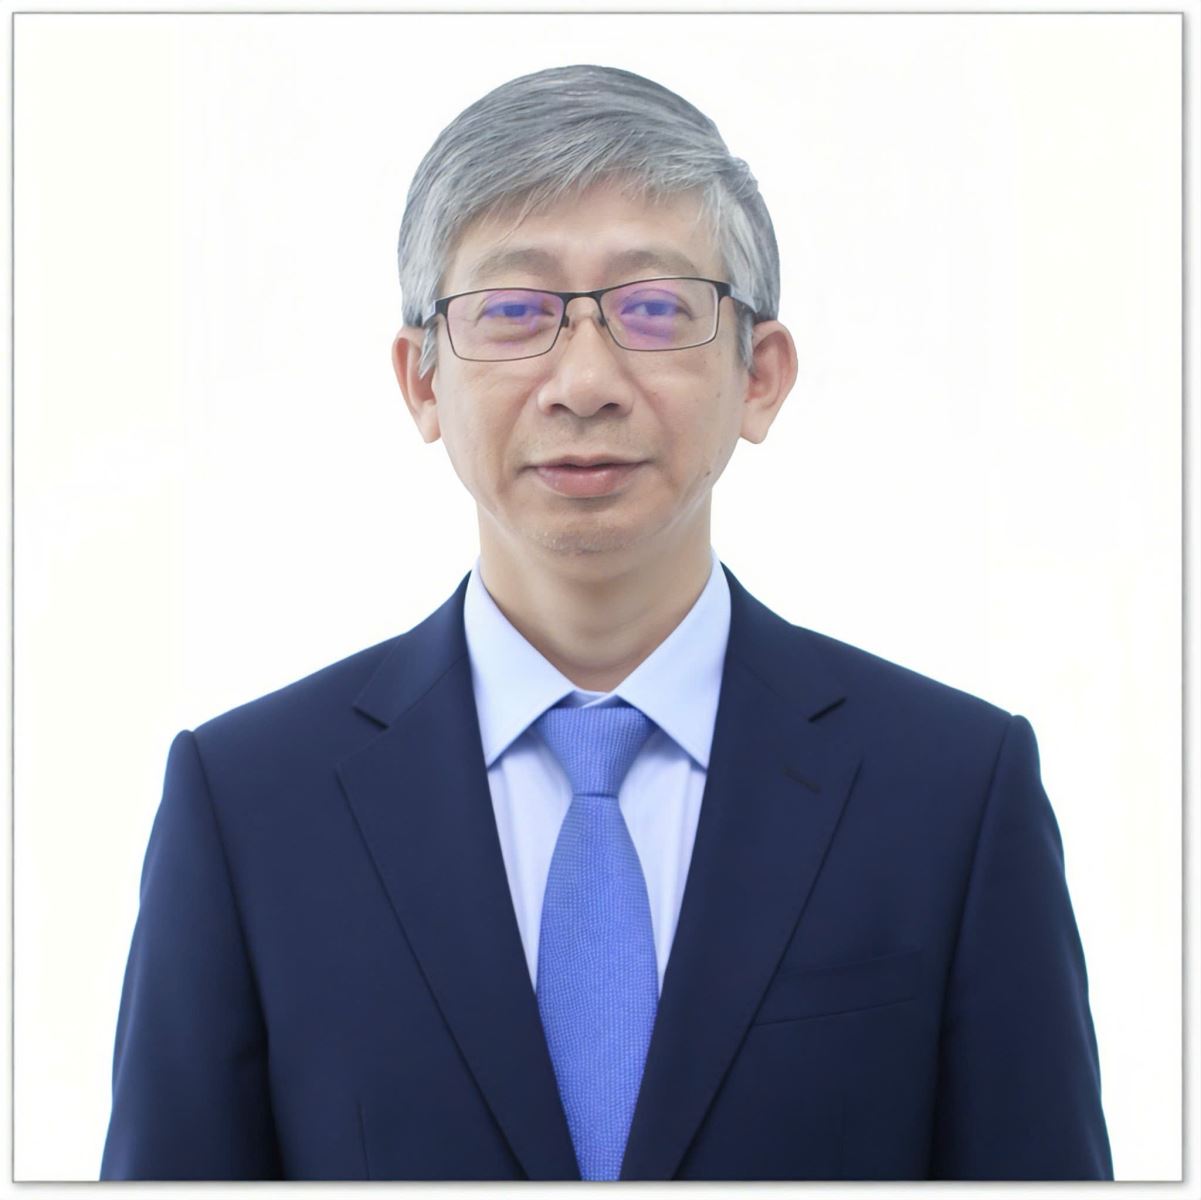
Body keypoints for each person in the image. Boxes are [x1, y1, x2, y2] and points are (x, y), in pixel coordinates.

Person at [100, 64, 1112, 1181]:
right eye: (513, 312)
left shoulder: (952, 792)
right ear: (421, 382)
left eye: (654, 308)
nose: (583, 381)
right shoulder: (250, 807)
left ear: (760, 376)